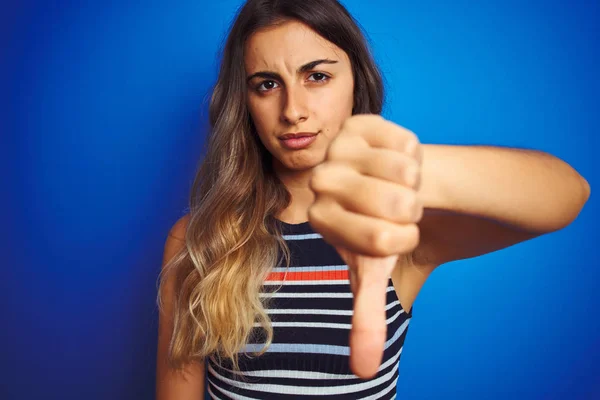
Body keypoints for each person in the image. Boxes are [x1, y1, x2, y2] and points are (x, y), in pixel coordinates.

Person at [155, 0, 591, 398]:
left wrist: (404, 173)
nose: (293, 110)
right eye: (267, 84)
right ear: (244, 102)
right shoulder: (199, 240)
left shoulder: (398, 233)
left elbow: (568, 194)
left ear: (355, 83)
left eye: (317, 76)